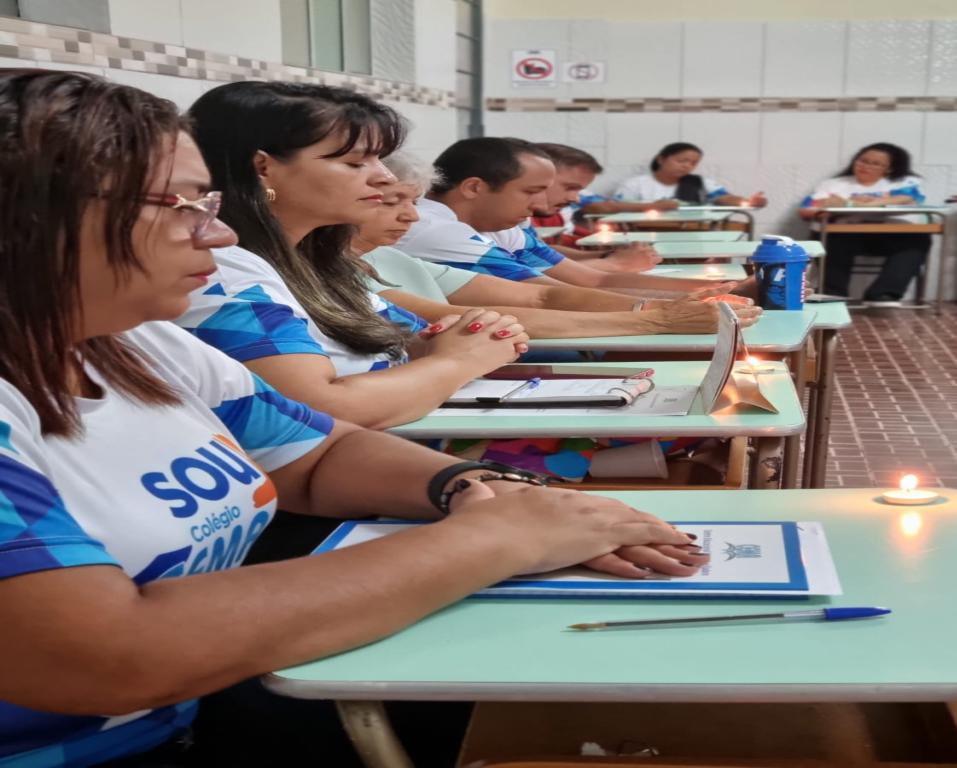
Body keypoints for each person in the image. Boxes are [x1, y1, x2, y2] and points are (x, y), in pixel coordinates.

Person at [0, 69, 707, 768]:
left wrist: (482, 489)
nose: (216, 234)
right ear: (31, 214)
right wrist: (499, 538)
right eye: (180, 205)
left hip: (201, 700)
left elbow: (317, 453)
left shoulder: (136, 343)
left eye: (207, 203)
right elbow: (108, 655)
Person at [178, 81, 529, 431]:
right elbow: (314, 410)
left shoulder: (321, 264)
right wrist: (460, 360)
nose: (385, 177)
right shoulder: (222, 273)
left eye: (378, 159)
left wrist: (459, 341)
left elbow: (412, 345)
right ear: (263, 168)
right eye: (355, 162)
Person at [359, 152, 762, 338]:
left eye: (411, 202)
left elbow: (544, 295)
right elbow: (457, 319)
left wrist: (676, 307)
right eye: (391, 202)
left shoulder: (387, 255)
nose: (411, 216)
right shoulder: (432, 231)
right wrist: (659, 318)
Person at [400, 137, 750, 298]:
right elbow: (555, 296)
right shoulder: (437, 230)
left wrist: (718, 290)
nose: (538, 204)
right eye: (530, 191)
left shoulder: (500, 226)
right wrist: (707, 299)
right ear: (475, 187)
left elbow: (593, 281)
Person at [799, 142, 929, 304]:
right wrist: (828, 209)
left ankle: (884, 295)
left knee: (917, 240)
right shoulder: (834, 184)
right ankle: (833, 294)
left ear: (889, 168)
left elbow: (908, 198)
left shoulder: (904, 182)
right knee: (830, 239)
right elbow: (806, 210)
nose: (866, 166)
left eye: (876, 164)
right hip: (845, 235)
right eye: (863, 161)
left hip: (892, 236)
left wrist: (853, 204)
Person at [527, 143, 663, 273]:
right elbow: (524, 277)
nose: (575, 199)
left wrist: (611, 255)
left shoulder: (523, 223)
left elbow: (541, 253)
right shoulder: (517, 220)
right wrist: (615, 263)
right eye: (570, 187)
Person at [615, 142, 767, 208]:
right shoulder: (634, 184)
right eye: (682, 161)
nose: (687, 166)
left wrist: (749, 201)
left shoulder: (699, 183)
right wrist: (653, 207)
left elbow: (724, 198)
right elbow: (617, 207)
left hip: (692, 232)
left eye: (693, 163)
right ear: (661, 159)